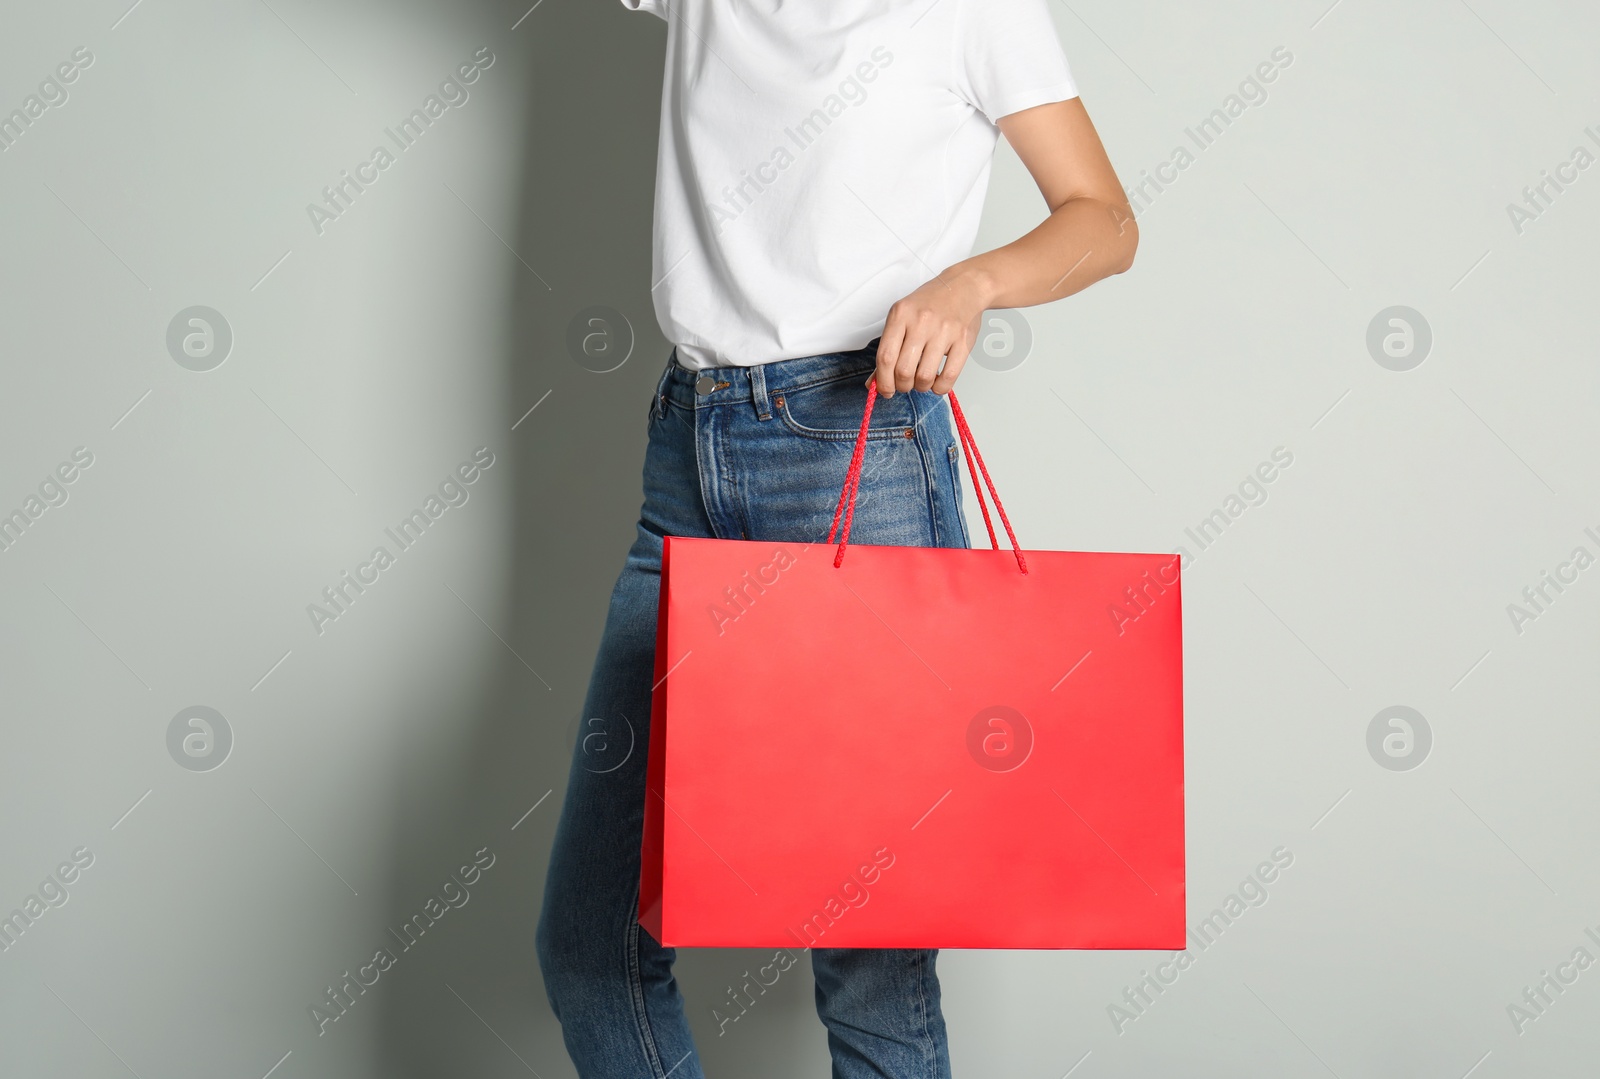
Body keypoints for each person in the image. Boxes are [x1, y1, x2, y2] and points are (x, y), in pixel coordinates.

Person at [537, 1, 1136, 1075]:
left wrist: (972, 284)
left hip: (858, 445)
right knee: (591, 943)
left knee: (873, 972)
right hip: (687, 448)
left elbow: (1103, 217)